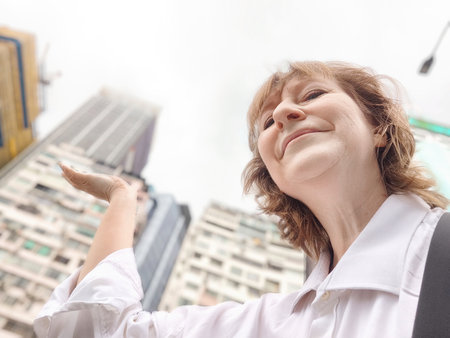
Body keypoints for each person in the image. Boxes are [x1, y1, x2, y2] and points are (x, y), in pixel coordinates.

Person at [34, 61, 448, 337]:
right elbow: (97, 330)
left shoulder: (436, 252)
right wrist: (124, 199)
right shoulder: (268, 324)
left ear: (378, 126)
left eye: (312, 95)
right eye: (268, 120)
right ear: (275, 176)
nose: (285, 114)